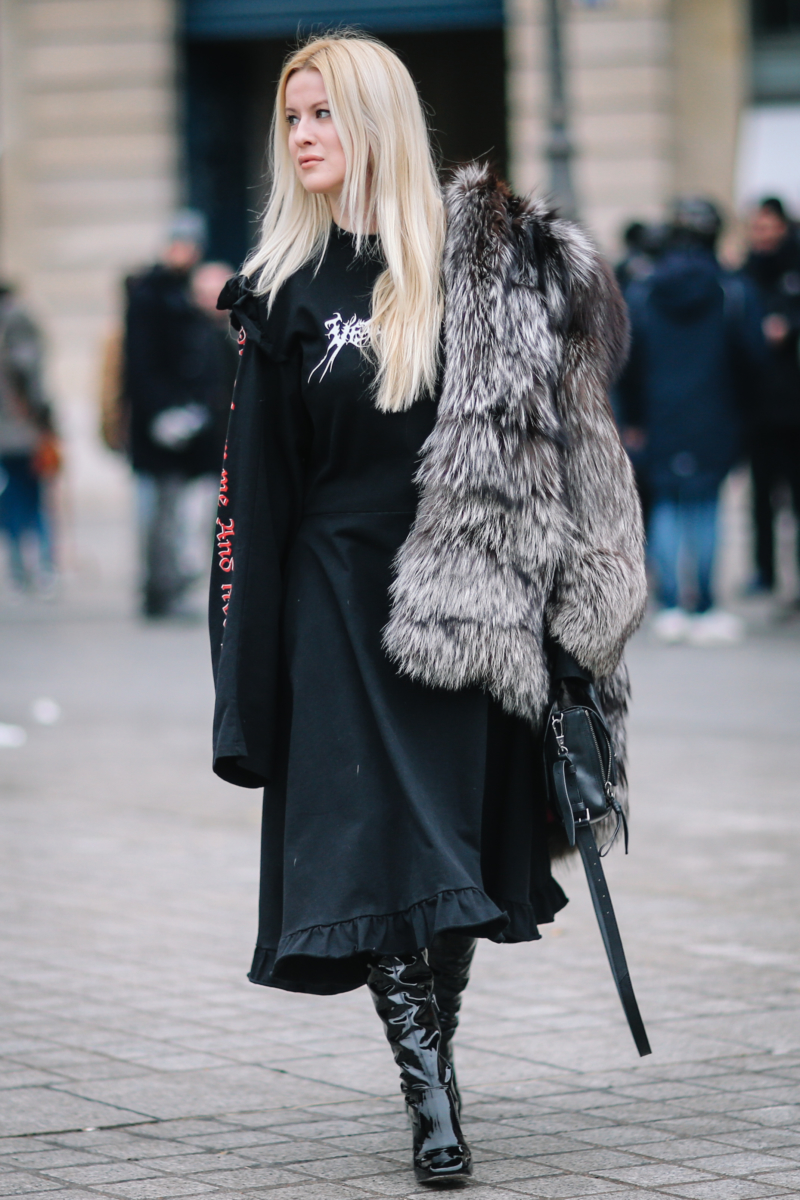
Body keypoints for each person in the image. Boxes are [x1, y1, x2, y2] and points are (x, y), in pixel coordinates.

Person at [209, 33, 646, 1185]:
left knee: (452, 858)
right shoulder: (280, 293)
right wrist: (243, 676)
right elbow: (255, 492)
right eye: (290, 116)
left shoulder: (485, 274)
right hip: (334, 608)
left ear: (378, 124)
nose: (302, 134)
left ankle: (432, 1051)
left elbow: (570, 454)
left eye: (324, 113)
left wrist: (575, 623)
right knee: (385, 853)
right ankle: (430, 1098)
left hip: (471, 608)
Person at [618, 197, 766, 645]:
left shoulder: (643, 292)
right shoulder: (733, 291)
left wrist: (633, 417)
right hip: (717, 414)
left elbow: (627, 360)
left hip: (661, 414)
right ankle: (702, 604)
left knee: (666, 504)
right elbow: (753, 360)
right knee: (706, 506)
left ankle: (671, 606)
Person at [124, 213, 231, 617]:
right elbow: (141, 364)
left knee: (185, 512)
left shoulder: (192, 298)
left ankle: (171, 584)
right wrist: (161, 410)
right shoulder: (150, 295)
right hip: (159, 424)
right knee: (157, 511)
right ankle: (158, 588)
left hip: (192, 423)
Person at [741, 197, 800, 597]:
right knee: (760, 498)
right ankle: (765, 572)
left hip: (794, 407)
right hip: (758, 406)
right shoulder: (745, 271)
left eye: (768, 226)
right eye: (756, 227)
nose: (763, 234)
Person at [0, 284, 59, 593]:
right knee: (34, 500)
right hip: (22, 430)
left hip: (11, 431)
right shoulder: (18, 321)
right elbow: (28, 375)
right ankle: (44, 567)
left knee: (11, 500)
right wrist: (46, 420)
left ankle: (20, 568)